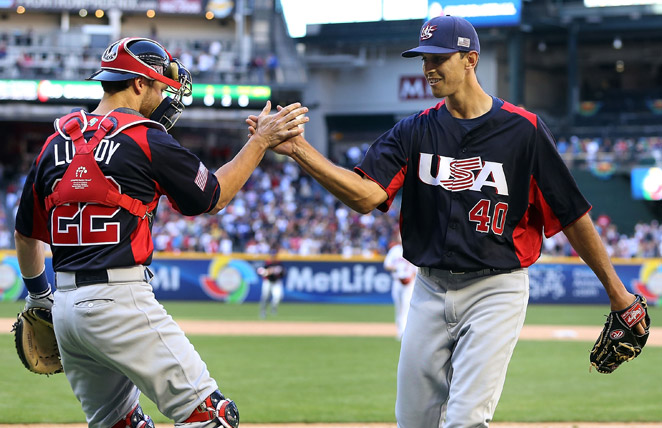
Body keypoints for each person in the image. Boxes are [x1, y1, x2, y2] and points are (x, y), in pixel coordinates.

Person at [247, 15, 648, 428]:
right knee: (413, 421)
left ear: (470, 60)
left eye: (439, 58)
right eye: (424, 59)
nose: (428, 68)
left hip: (496, 289)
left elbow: (572, 214)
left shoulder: (523, 130)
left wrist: (618, 294)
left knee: (464, 420)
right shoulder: (413, 131)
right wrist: (300, 150)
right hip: (429, 287)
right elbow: (366, 196)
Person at [13, 37, 307, 428]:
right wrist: (260, 141)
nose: (166, 95)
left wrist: (39, 297)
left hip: (66, 310)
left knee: (120, 424)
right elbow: (214, 196)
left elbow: (25, 236)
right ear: (139, 83)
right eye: (160, 85)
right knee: (212, 417)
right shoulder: (145, 136)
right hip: (119, 299)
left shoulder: (55, 143)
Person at [383, 235, 417, 341]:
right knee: (399, 307)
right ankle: (400, 331)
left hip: (409, 283)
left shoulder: (413, 249)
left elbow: (417, 269)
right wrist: (396, 268)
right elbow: (386, 265)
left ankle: (405, 332)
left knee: (406, 306)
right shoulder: (395, 250)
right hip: (397, 281)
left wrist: (411, 277)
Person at [256, 250, 286, 318]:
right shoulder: (267, 263)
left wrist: (279, 272)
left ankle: (273, 307)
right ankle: (263, 311)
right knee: (265, 297)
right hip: (267, 282)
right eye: (272, 255)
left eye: (274, 255)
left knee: (278, 296)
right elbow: (259, 271)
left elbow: (283, 273)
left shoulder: (279, 264)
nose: (273, 257)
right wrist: (267, 272)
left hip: (276, 282)